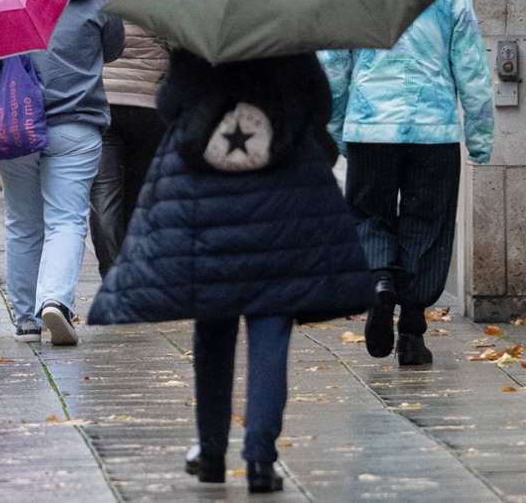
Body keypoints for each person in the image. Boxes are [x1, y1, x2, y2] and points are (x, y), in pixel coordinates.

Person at [89, 49, 374, 494]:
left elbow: (170, 104)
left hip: (207, 203)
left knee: (212, 330)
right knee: (272, 327)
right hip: (281, 202)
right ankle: (260, 458)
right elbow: (319, 105)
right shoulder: (289, 45)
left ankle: (211, 452)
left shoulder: (199, 45)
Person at [319, 0, 494, 367]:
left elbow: (334, 64)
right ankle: (412, 330)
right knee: (428, 223)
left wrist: (336, 128)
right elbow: (471, 67)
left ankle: (379, 281)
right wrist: (479, 136)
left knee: (369, 214)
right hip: (433, 131)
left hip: (371, 127)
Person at [0, 0, 123, 346]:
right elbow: (114, 49)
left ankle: (25, 318)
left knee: (22, 222)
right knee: (66, 220)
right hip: (77, 123)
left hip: (18, 122)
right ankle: (54, 300)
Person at [89, 0, 169, 278]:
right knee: (140, 191)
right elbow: (174, 40)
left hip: (103, 102)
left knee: (105, 193)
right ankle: (137, 269)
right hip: (148, 105)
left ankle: (112, 271)